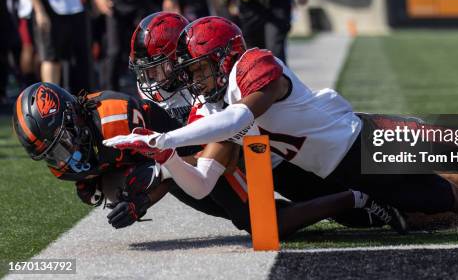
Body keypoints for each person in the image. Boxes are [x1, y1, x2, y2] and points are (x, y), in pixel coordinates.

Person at [106, 16, 458, 226]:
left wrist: (164, 137)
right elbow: (206, 172)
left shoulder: (256, 65)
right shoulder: (211, 104)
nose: (199, 79)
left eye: (203, 68)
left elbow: (238, 115)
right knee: (450, 200)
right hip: (341, 171)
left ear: (224, 56)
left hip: (369, 138)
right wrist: (164, 158)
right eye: (193, 72)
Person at [13, 82, 400, 236]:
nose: (63, 159)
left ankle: (353, 198)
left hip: (209, 143)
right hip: (179, 160)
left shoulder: (115, 119)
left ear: (74, 121)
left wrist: (141, 198)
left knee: (261, 222)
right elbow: (117, 181)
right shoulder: (71, 158)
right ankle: (349, 198)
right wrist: (126, 195)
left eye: (61, 144)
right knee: (249, 212)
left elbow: (161, 161)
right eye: (52, 152)